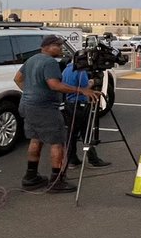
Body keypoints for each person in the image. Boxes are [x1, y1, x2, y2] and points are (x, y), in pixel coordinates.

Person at [14, 34, 99, 193]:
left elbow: (18, 78)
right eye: (57, 46)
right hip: (44, 108)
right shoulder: (49, 62)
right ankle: (56, 180)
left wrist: (30, 92)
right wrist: (81, 90)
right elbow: (55, 85)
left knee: (36, 138)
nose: (60, 49)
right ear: (47, 47)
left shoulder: (32, 59)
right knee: (57, 142)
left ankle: (30, 177)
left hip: (27, 105)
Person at [61, 59, 110, 169]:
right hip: (80, 104)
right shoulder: (80, 71)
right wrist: (92, 82)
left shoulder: (65, 70)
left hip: (69, 104)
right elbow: (85, 88)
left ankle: (71, 160)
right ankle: (93, 159)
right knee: (86, 133)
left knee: (71, 134)